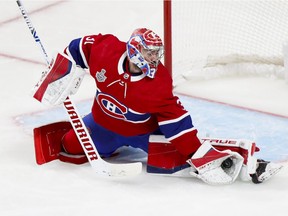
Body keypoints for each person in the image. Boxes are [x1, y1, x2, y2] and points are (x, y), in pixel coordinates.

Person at [32, 28, 282, 185]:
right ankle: (106, 141)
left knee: (180, 162)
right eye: (150, 53)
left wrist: (196, 155)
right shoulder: (106, 50)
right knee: (69, 147)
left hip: (145, 134)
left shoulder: (158, 82)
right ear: (134, 50)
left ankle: (236, 154)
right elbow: (77, 48)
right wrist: (61, 71)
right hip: (102, 124)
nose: (155, 58)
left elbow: (176, 121)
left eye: (156, 53)